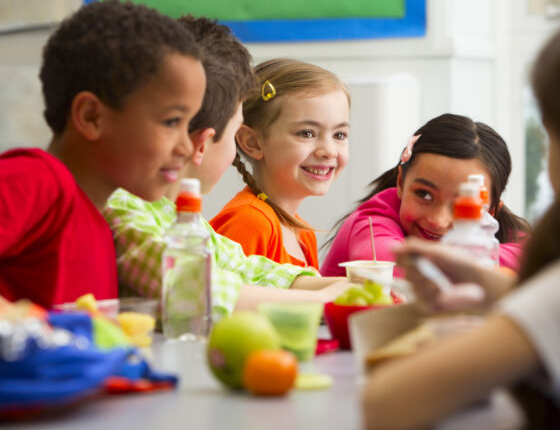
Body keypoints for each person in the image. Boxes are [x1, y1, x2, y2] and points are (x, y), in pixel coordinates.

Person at [362, 28, 560, 430]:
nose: (438, 220)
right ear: (400, 181)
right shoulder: (374, 218)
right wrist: (494, 287)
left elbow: (385, 403)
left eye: (549, 134)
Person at [104, 17, 349, 321]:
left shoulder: (167, 212)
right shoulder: (121, 207)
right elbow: (193, 290)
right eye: (234, 134)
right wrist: (323, 301)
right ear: (205, 144)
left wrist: (335, 286)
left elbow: (241, 267)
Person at [0, 0, 205, 309]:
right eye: (172, 122)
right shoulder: (37, 180)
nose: (187, 147)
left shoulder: (101, 228)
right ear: (92, 117)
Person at [321, 113, 530, 278]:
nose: (438, 221)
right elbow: (391, 269)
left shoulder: (499, 230)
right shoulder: (371, 221)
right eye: (424, 195)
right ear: (401, 182)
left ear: (490, 212)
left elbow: (544, 264)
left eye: (462, 205)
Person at [210, 58, 350, 270]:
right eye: (307, 133)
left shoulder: (302, 232)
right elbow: (227, 300)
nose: (329, 151)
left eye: (339, 134)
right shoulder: (249, 222)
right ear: (253, 143)